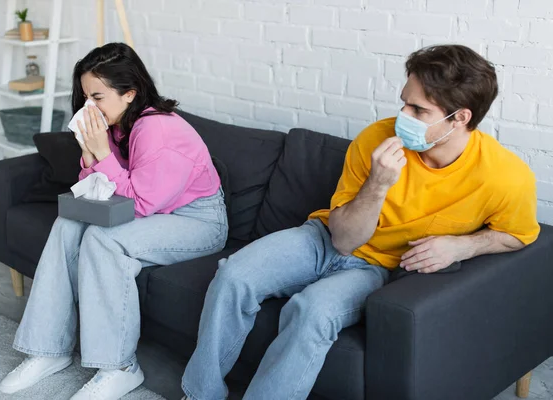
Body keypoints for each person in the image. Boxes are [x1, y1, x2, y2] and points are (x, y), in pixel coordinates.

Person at [180, 44, 540, 400]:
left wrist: (463, 245)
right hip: (326, 236)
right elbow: (343, 240)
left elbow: (518, 235)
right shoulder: (376, 138)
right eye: (403, 101)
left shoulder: (505, 177)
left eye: (418, 109)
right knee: (233, 277)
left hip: (375, 269)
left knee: (311, 311)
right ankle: (200, 394)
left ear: (459, 118)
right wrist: (379, 183)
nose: (402, 115)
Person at [0, 43, 228, 400]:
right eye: (86, 97)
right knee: (68, 223)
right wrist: (91, 153)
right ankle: (48, 350)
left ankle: (120, 367)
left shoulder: (158, 131)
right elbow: (101, 190)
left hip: (197, 220)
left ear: (130, 93)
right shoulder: (118, 122)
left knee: (104, 241)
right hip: (154, 210)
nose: (89, 107)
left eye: (98, 96)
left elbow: (137, 204)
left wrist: (102, 154)